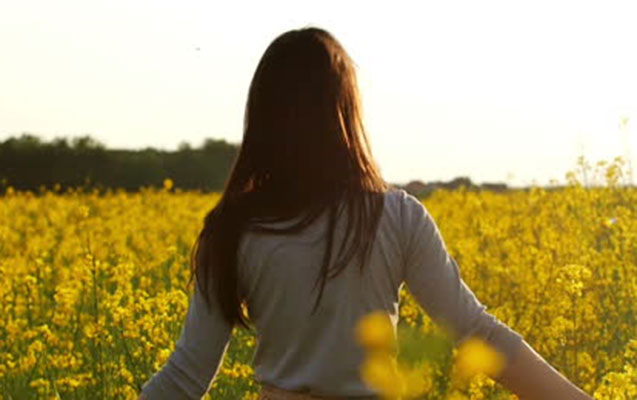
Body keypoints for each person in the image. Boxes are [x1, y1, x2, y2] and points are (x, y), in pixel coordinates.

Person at [138, 27, 593, 400]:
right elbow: (477, 333)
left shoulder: (234, 229)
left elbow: (186, 375)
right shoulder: (398, 217)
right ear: (346, 110)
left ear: (262, 116)